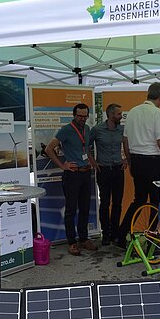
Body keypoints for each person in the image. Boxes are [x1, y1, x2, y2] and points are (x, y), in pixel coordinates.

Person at [116, 82, 160, 247]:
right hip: (153, 161)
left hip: (137, 161)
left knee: (139, 200)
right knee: (156, 201)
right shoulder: (158, 113)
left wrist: (131, 161)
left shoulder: (133, 111)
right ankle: (152, 241)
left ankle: (121, 235)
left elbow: (125, 140)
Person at [45, 103, 98, 256]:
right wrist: (62, 165)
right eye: (79, 116)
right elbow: (49, 149)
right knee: (70, 209)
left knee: (85, 207)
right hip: (72, 175)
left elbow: (85, 148)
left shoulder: (87, 129)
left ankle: (83, 238)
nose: (82, 119)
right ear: (74, 115)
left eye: (84, 116)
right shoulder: (66, 130)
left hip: (85, 173)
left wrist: (92, 161)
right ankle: (72, 242)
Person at [90, 103, 126, 246]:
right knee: (105, 203)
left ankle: (115, 233)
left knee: (117, 203)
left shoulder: (121, 130)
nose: (121, 116)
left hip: (118, 169)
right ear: (110, 115)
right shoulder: (97, 129)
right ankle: (106, 233)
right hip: (103, 170)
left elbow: (128, 144)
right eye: (118, 114)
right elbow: (86, 145)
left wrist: (126, 160)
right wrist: (93, 161)